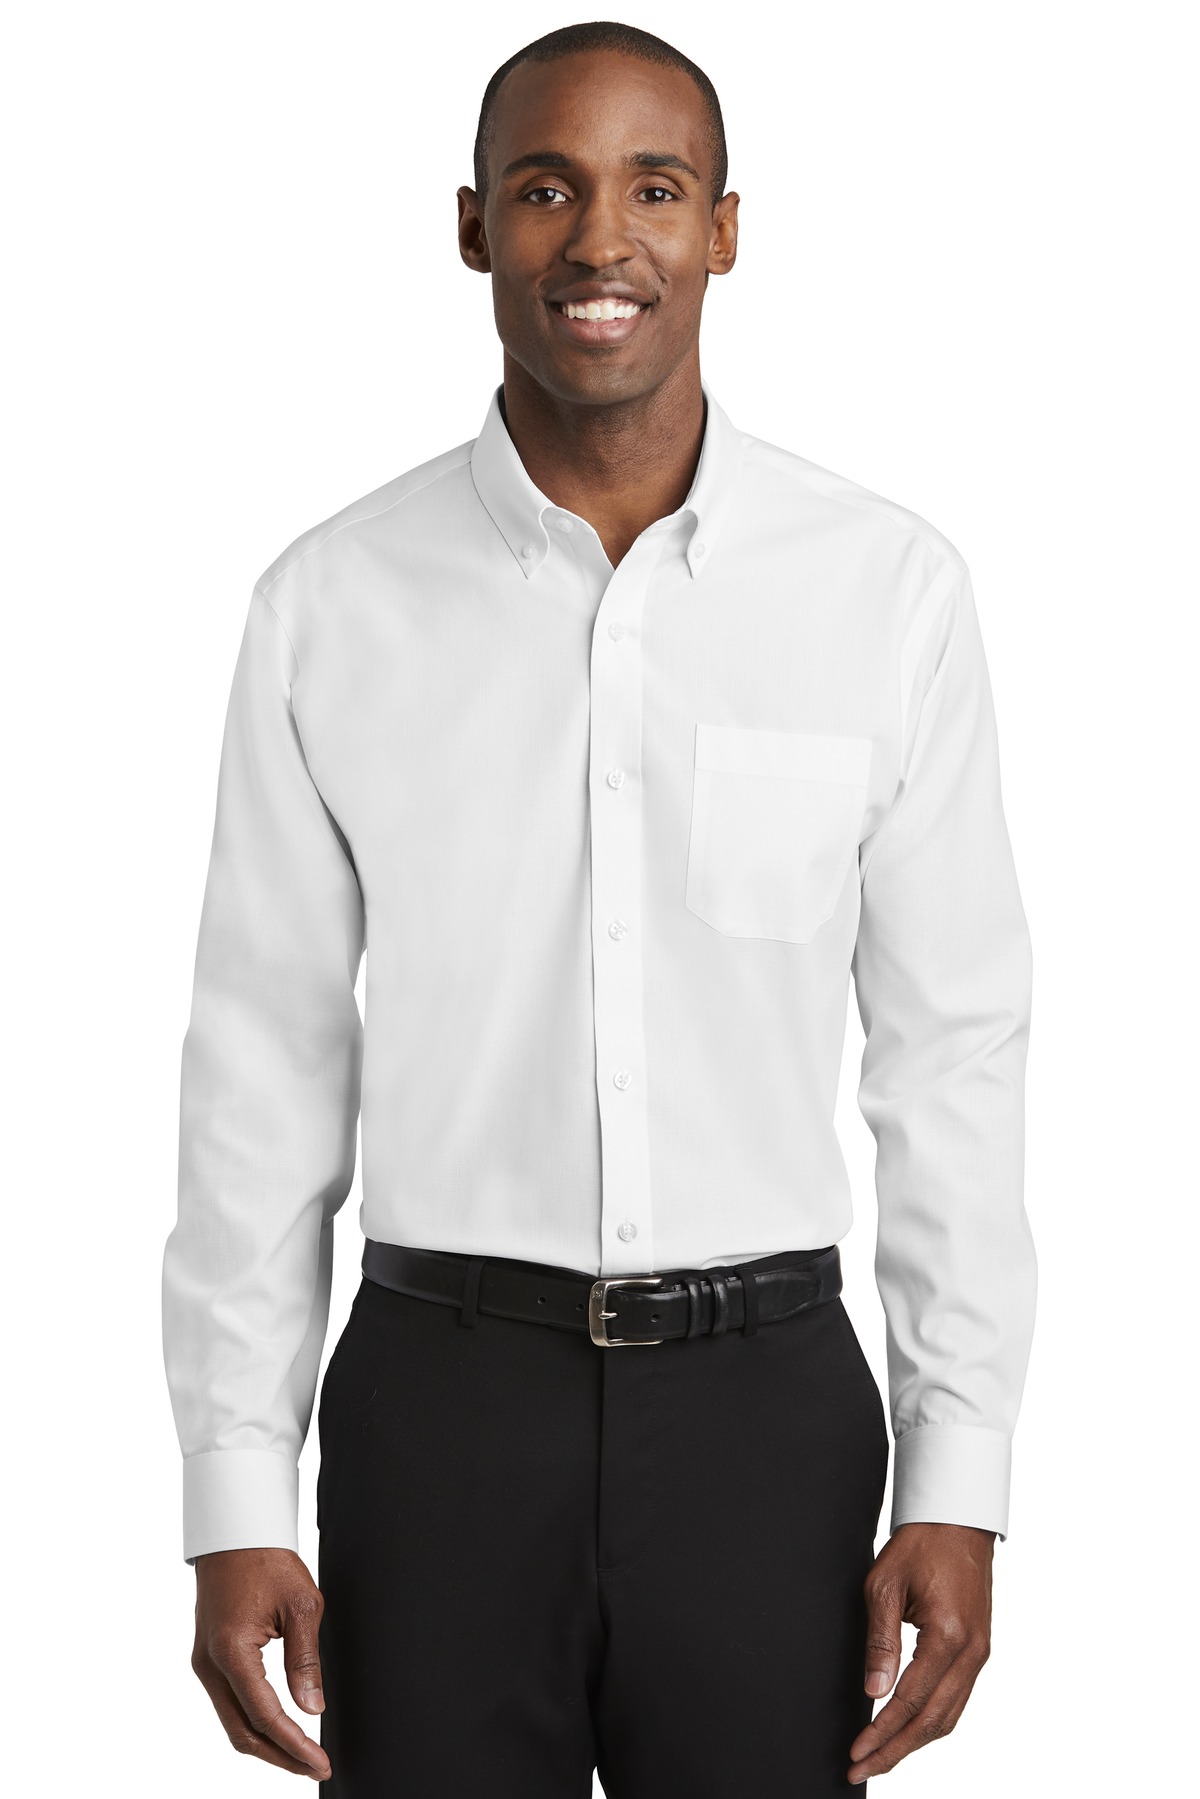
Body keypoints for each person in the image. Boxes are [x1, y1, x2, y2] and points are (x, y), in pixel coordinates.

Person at [162, 20, 1037, 1796]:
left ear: (725, 229)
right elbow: (263, 1063)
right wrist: (235, 1489)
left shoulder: (887, 595)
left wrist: (960, 1475)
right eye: (547, 189)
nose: (601, 241)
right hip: (440, 1409)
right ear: (473, 226)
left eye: (656, 187)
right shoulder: (331, 606)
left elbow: (952, 1056)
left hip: (767, 1417)